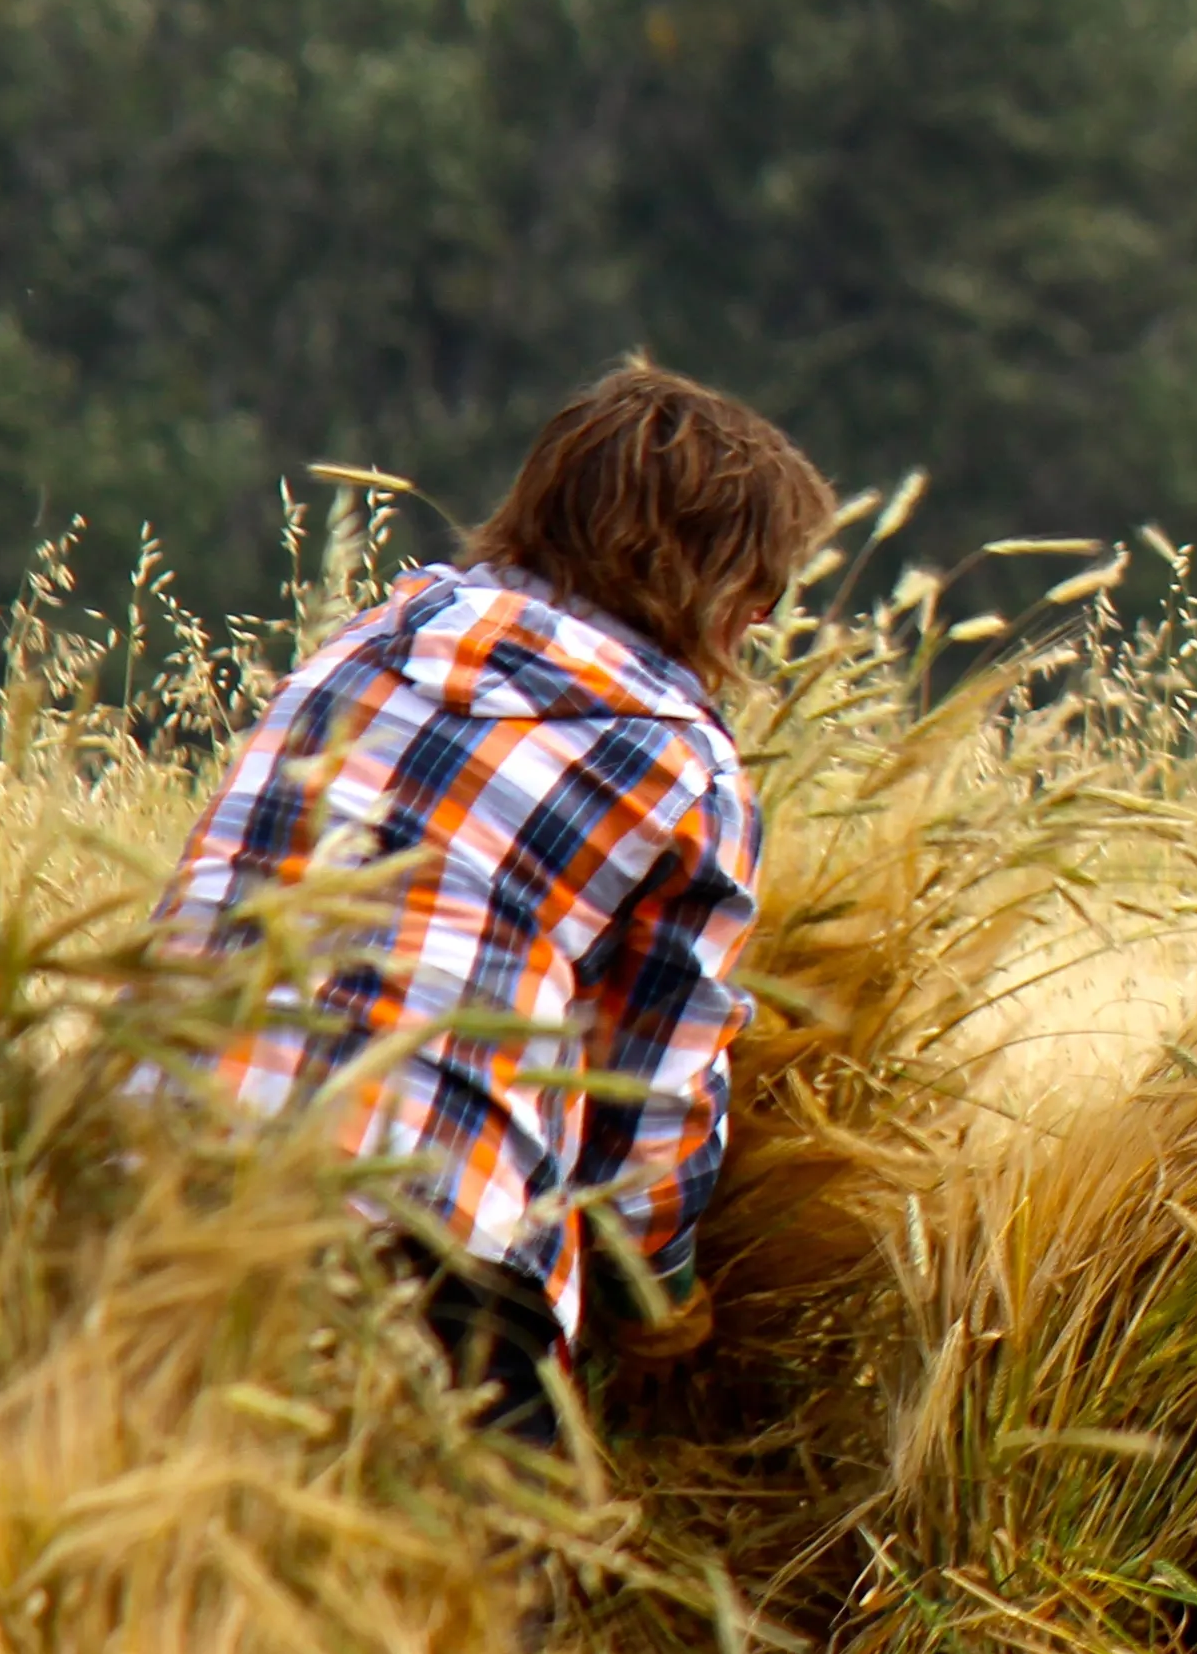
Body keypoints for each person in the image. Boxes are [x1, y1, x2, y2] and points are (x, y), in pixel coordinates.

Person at [167, 363, 834, 1451]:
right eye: (762, 582)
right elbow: (648, 1103)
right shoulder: (681, 765)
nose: (764, 614)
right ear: (689, 575)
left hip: (154, 1170)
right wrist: (659, 1305)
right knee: (485, 1599)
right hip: (430, 1232)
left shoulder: (368, 644)